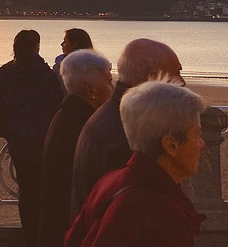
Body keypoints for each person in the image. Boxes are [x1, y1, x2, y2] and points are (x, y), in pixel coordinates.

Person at [64, 81, 206, 247]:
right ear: (171, 146)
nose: (201, 144)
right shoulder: (162, 214)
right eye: (196, 136)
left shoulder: (109, 182)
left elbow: (72, 239)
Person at [70, 38, 184, 218]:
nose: (182, 83)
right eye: (176, 74)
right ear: (152, 77)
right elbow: (132, 212)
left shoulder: (110, 115)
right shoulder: (128, 133)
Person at [0, 30, 64, 247]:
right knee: (43, 191)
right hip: (44, 140)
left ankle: (29, 237)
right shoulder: (46, 74)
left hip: (19, 141)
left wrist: (8, 131)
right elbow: (55, 105)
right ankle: (44, 238)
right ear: (36, 47)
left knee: (27, 192)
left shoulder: (5, 73)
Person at [38, 50, 113, 247]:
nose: (113, 89)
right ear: (91, 90)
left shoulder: (66, 116)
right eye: (109, 81)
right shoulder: (85, 127)